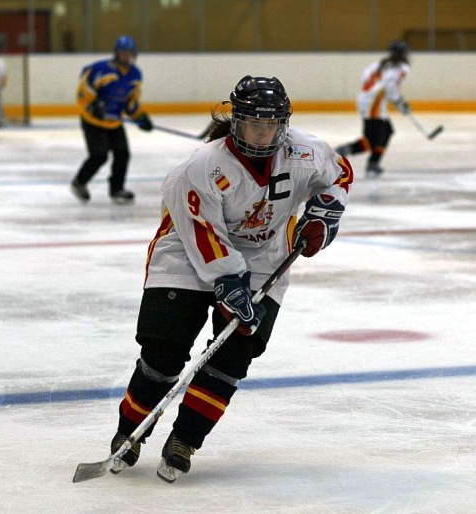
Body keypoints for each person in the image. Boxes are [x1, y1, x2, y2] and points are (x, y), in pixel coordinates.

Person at [104, 76, 354, 483]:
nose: (263, 132)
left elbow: (339, 175)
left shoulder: (305, 152)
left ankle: (185, 439)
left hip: (263, 257)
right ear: (236, 121)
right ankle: (129, 432)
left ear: (284, 124)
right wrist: (226, 280)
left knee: (234, 354)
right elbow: (201, 232)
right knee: (162, 353)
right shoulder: (201, 167)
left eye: (272, 124)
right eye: (255, 123)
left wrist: (324, 216)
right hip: (185, 254)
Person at [70, 35, 153, 205]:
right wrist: (93, 106)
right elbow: (83, 90)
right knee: (99, 155)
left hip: (114, 121)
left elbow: (132, 102)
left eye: (129, 53)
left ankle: (117, 189)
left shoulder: (135, 75)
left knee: (122, 153)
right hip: (93, 121)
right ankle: (79, 182)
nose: (126, 56)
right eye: (123, 53)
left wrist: (140, 117)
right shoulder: (100, 69)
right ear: (116, 53)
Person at [336, 40, 411, 177]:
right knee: (371, 140)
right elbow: (391, 88)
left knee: (387, 130)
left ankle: (373, 162)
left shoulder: (379, 64)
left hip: (367, 99)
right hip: (374, 103)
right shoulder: (401, 68)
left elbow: (365, 79)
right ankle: (345, 150)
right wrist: (401, 104)